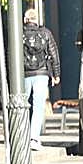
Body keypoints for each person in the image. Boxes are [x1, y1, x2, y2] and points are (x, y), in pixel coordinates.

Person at [22, 9, 60, 151]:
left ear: (25, 20)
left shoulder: (20, 34)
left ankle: (22, 135)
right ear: (36, 19)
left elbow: (11, 54)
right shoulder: (45, 33)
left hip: (24, 74)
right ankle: (34, 138)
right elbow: (53, 53)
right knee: (38, 106)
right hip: (42, 73)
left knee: (22, 104)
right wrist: (56, 74)